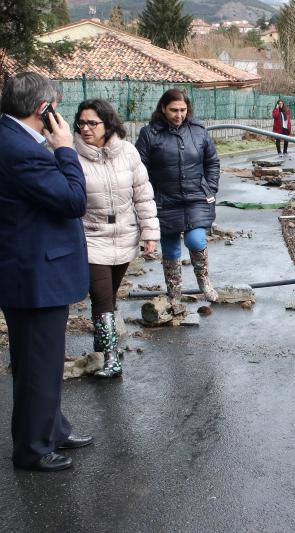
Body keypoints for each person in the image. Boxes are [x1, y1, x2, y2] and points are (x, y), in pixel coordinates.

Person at [0, 72, 93, 471]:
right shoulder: (22, 149)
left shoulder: (13, 140)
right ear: (45, 109)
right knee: (39, 362)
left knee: (41, 360)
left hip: (28, 269)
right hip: (34, 274)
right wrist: (66, 150)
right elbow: (73, 200)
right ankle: (33, 449)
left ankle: (52, 428)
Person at [74, 99, 160, 378]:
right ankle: (111, 358)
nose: (85, 128)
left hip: (124, 234)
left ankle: (102, 349)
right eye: (81, 122)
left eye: (92, 123)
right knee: (100, 296)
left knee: (109, 296)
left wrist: (149, 233)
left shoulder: (128, 153)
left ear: (107, 124)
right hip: (91, 236)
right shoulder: (70, 155)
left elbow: (143, 195)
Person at [135, 89, 220, 304]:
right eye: (173, 110)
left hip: (196, 197)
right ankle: (174, 293)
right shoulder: (149, 134)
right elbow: (138, 168)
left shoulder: (198, 131)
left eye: (183, 110)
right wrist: (148, 196)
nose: (179, 115)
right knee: (171, 247)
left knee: (195, 239)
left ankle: (204, 282)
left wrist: (210, 188)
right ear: (163, 108)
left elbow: (212, 162)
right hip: (164, 200)